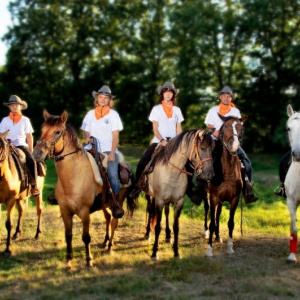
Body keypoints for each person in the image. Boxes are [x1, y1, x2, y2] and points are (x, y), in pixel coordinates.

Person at [129, 82, 184, 199]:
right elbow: (155, 128)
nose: (168, 94)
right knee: (142, 162)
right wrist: (162, 140)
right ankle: (137, 188)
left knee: (187, 161)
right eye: (165, 91)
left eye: (170, 92)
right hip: (158, 141)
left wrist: (179, 142)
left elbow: (178, 128)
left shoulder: (177, 110)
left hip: (174, 143)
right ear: (162, 94)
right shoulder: (156, 109)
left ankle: (190, 189)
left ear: (173, 95)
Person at [204, 86, 258, 204]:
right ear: (220, 97)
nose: (226, 98)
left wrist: (236, 137)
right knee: (206, 159)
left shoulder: (235, 111)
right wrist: (215, 132)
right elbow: (209, 126)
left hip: (231, 141)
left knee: (246, 161)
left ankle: (248, 187)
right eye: (224, 96)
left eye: (229, 96)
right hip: (216, 140)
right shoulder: (213, 110)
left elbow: (238, 126)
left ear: (231, 98)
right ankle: (200, 184)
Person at [81, 85, 124, 219]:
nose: (103, 100)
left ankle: (115, 203)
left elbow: (116, 136)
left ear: (110, 100)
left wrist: (112, 153)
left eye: (106, 98)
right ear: (97, 99)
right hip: (90, 149)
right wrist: (87, 137)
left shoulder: (113, 115)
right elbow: (85, 130)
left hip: (107, 150)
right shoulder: (90, 114)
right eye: (101, 97)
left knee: (112, 174)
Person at [0, 95, 40, 196]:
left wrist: (31, 149)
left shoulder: (25, 120)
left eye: (16, 105)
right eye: (12, 105)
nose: (14, 106)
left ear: (21, 106)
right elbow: (0, 135)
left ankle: (34, 186)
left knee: (31, 161)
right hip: (7, 145)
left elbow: (29, 136)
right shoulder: (5, 120)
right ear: (9, 107)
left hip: (21, 144)